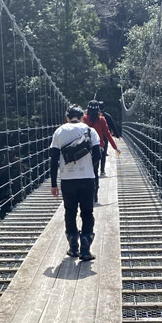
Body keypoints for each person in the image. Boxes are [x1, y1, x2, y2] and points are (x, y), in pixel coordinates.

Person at [50, 105, 101, 261]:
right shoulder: (90, 131)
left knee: (70, 212)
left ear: (67, 117)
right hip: (87, 178)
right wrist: (88, 168)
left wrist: (54, 184)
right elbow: (98, 155)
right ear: (82, 117)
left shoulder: (59, 132)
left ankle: (73, 248)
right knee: (87, 213)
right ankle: (85, 251)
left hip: (67, 180)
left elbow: (53, 161)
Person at [82, 100, 119, 179]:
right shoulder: (101, 119)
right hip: (98, 147)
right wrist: (115, 147)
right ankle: (96, 185)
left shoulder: (83, 119)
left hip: (85, 147)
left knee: (87, 169)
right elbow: (107, 134)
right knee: (95, 169)